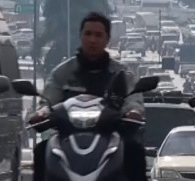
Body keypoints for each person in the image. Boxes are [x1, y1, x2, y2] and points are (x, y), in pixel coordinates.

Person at [30, 12, 147, 181]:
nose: (93, 40)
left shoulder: (122, 73)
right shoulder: (62, 73)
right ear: (81, 36)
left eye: (99, 35)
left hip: (111, 136)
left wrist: (133, 112)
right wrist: (41, 113)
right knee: (42, 150)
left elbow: (133, 100)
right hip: (67, 138)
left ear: (107, 39)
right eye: (88, 34)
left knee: (134, 151)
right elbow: (48, 100)